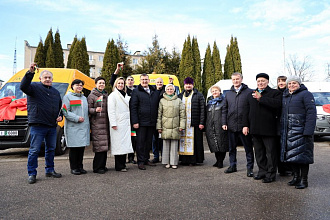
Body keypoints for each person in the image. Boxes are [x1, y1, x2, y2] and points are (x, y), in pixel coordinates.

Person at [20, 63, 63, 184]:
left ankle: (50, 170)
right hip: (38, 125)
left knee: (51, 149)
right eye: (45, 77)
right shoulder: (33, 87)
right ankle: (32, 173)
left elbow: (60, 108)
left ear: (52, 79)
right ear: (40, 78)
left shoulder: (56, 92)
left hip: (51, 126)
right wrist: (30, 73)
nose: (48, 79)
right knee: (34, 150)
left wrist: (60, 116)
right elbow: (23, 86)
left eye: (49, 77)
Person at [242, 73, 282, 183]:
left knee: (270, 153)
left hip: (269, 129)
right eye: (259, 81)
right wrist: (245, 125)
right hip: (255, 128)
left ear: (268, 82)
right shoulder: (251, 94)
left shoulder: (275, 93)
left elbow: (277, 105)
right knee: (259, 153)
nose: (260, 83)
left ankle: (271, 174)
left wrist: (261, 99)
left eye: (263, 81)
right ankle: (262, 171)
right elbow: (246, 110)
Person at [280, 75, 316, 189]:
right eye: (289, 83)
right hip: (289, 132)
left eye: (294, 83)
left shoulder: (306, 94)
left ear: (299, 84)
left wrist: (308, 130)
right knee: (292, 156)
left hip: (302, 131)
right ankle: (296, 177)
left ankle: (304, 180)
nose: (291, 85)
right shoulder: (285, 96)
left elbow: (311, 113)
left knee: (303, 158)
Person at [222, 72, 255, 177]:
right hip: (231, 125)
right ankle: (233, 165)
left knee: (248, 148)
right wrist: (224, 122)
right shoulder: (228, 94)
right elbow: (224, 109)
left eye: (237, 79)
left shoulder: (250, 92)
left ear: (241, 79)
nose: (235, 81)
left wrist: (248, 125)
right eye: (234, 79)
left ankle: (249, 168)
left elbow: (256, 104)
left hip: (244, 126)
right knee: (232, 148)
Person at [129, 73, 160, 170]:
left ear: (149, 80)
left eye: (146, 79)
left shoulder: (154, 91)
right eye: (142, 80)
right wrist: (135, 122)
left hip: (151, 122)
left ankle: (146, 159)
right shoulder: (136, 92)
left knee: (148, 142)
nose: (144, 81)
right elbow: (133, 107)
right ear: (140, 81)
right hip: (141, 122)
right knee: (140, 142)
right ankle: (140, 161)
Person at [110, 63, 137, 164]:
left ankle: (131, 157)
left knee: (132, 138)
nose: (130, 81)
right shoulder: (116, 93)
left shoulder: (135, 91)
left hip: (130, 121)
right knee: (121, 141)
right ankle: (122, 161)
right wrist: (117, 70)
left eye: (131, 80)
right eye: (128, 80)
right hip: (121, 121)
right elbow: (113, 81)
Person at [62, 79, 90, 175]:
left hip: (83, 127)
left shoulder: (84, 98)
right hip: (73, 126)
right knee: (74, 148)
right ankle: (74, 168)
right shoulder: (67, 97)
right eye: (77, 85)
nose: (79, 87)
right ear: (72, 86)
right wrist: (77, 118)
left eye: (81, 85)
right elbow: (65, 111)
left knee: (81, 148)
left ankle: (80, 166)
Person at [108, 77, 134, 172]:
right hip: (118, 123)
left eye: (122, 83)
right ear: (115, 84)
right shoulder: (113, 95)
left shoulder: (125, 94)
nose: (120, 85)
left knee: (124, 144)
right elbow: (111, 111)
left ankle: (123, 164)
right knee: (118, 145)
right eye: (119, 83)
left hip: (126, 123)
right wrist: (113, 123)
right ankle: (119, 166)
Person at [157, 84, 186, 169]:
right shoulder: (162, 101)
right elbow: (159, 115)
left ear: (174, 90)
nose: (170, 90)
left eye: (171, 89)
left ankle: (174, 162)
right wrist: (159, 127)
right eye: (168, 89)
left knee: (174, 145)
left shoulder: (178, 101)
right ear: (165, 90)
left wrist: (182, 126)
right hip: (165, 125)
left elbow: (182, 114)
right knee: (165, 145)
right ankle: (166, 162)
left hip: (175, 126)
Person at [178, 77, 205, 166]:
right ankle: (184, 160)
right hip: (183, 124)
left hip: (195, 123)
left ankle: (194, 160)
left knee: (195, 142)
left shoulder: (199, 95)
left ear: (192, 85)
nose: (188, 86)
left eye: (190, 84)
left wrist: (201, 122)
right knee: (183, 142)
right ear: (184, 85)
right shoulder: (180, 95)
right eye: (187, 84)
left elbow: (202, 109)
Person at [88, 77, 110, 174]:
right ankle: (97, 167)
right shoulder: (92, 96)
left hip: (105, 123)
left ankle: (103, 165)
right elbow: (88, 109)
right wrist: (94, 110)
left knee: (104, 147)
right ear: (96, 84)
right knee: (99, 147)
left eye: (103, 83)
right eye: (100, 83)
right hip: (97, 123)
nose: (101, 84)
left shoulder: (106, 95)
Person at [205, 85, 229, 169]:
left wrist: (224, 123)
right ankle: (217, 160)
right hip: (211, 126)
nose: (214, 92)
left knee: (221, 144)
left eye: (216, 91)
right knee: (214, 144)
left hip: (220, 125)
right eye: (213, 91)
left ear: (220, 92)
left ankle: (220, 161)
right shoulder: (209, 103)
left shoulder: (224, 101)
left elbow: (225, 114)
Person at [276, 75, 292, 176]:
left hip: (288, 124)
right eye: (279, 81)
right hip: (277, 124)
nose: (281, 83)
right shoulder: (275, 93)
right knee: (278, 147)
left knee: (288, 147)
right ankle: (281, 168)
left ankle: (289, 168)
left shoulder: (289, 94)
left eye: (283, 81)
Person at [152, 77, 165, 163]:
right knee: (154, 139)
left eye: (160, 82)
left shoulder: (166, 90)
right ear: (155, 83)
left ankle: (164, 156)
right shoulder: (152, 92)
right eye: (158, 82)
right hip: (154, 119)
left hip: (165, 119)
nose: (159, 83)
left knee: (163, 139)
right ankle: (156, 156)